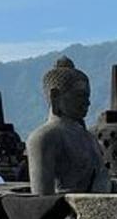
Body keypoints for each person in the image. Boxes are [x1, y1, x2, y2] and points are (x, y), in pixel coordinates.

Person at [26, 56, 112, 195]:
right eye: (80, 96)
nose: (87, 103)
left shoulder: (90, 138)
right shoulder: (43, 138)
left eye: (88, 97)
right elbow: (41, 200)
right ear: (55, 96)